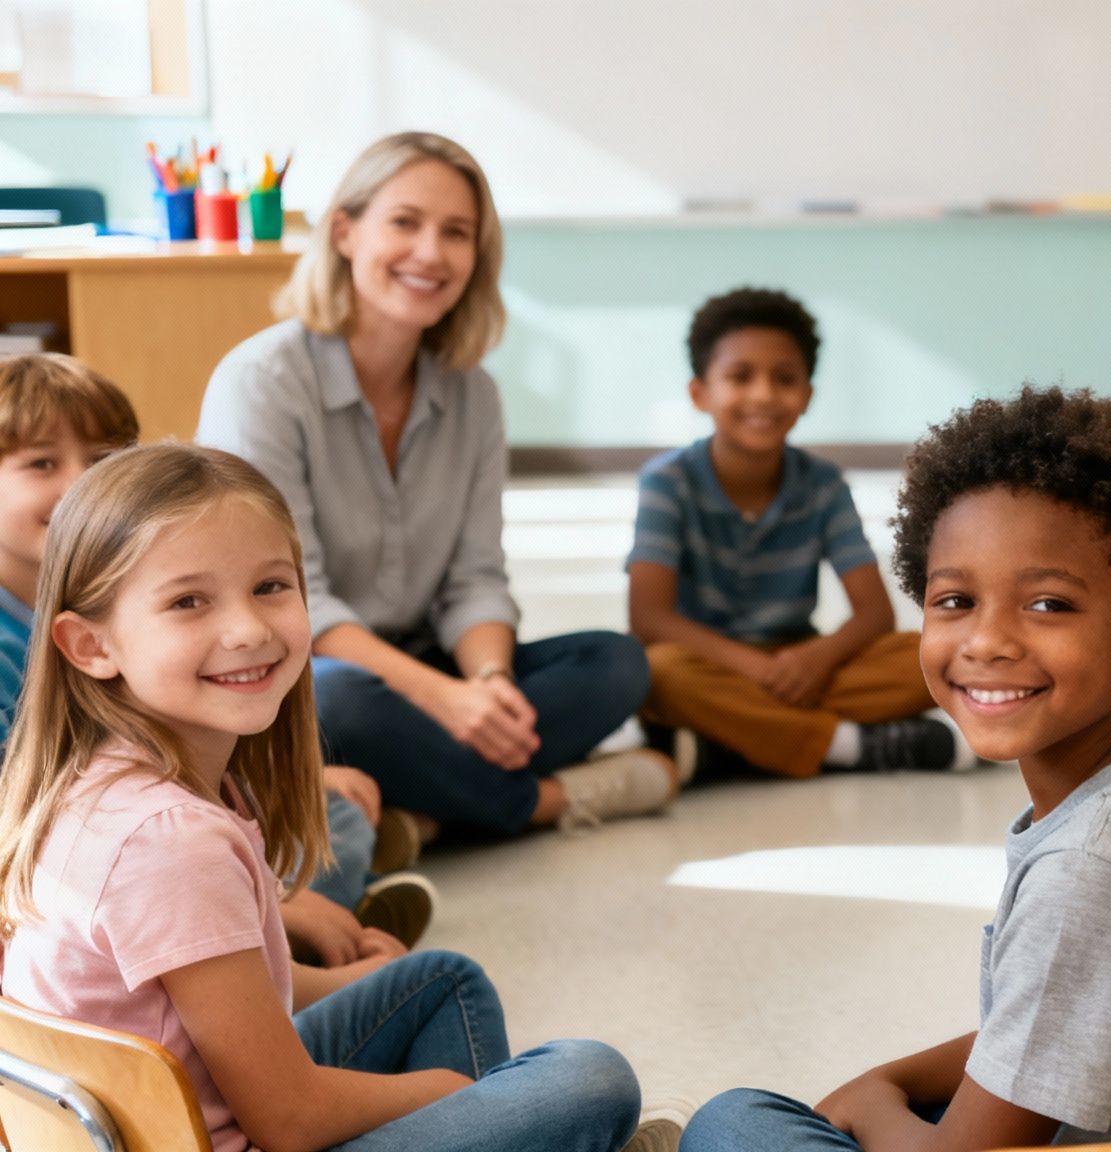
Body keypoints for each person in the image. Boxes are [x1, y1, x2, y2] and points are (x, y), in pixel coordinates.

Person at [678, 389, 1111, 1150]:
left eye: (1047, 605)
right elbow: (1044, 1029)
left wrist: (870, 1101)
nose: (985, 641)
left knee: (735, 1123)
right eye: (954, 600)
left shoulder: (1094, 871)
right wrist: (886, 1082)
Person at [0, 444, 673, 1152]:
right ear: (88, 644)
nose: (249, 629)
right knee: (592, 1079)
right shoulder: (170, 840)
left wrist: (352, 984)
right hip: (255, 1135)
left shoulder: (99, 782)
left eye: (270, 587)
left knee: (440, 981)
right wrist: (459, 1096)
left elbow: (205, 997)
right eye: (188, 601)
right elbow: (290, 1119)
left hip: (194, 1115)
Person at [198, 131, 676, 839]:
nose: (431, 253)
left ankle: (422, 811)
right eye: (404, 222)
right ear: (344, 230)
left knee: (616, 664)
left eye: (456, 233)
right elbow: (290, 599)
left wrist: (488, 685)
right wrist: (443, 700)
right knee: (341, 708)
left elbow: (476, 578)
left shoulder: (473, 394)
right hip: (311, 672)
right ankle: (537, 802)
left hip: (430, 661)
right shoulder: (261, 382)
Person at [0, 354, 433, 961]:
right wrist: (276, 897)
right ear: (87, 646)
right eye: (43, 463)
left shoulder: (136, 615)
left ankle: (313, 917)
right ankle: (308, 926)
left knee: (330, 811)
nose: (78, 481)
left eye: (102, 461)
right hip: (78, 879)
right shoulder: (152, 828)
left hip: (167, 838)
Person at [630, 288, 968, 779]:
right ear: (699, 393)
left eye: (784, 378)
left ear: (807, 395)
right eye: (740, 377)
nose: (764, 394)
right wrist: (756, 670)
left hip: (801, 664)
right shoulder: (668, 482)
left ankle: (724, 747)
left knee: (935, 657)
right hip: (708, 664)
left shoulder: (823, 485)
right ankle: (849, 746)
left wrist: (814, 660)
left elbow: (874, 613)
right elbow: (649, 617)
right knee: (658, 673)